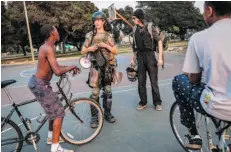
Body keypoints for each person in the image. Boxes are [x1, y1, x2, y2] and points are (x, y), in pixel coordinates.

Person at [172, 1, 231, 150]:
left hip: (217, 105)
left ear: (209, 11)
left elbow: (194, 79)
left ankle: (194, 135)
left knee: (179, 81)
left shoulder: (198, 38)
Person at [28, 24, 79, 152]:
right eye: (56, 30)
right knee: (59, 112)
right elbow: (57, 71)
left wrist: (67, 67)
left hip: (39, 83)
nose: (58, 32)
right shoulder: (48, 48)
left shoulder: (48, 47)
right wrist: (72, 66)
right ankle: (55, 148)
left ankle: (51, 137)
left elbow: (54, 66)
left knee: (54, 109)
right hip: (40, 85)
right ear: (52, 33)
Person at [81, 11, 118, 126]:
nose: (97, 22)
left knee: (108, 90)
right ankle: (94, 117)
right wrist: (89, 49)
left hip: (107, 67)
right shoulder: (90, 35)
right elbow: (82, 50)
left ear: (103, 21)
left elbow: (115, 51)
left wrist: (106, 46)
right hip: (95, 66)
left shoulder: (108, 36)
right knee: (95, 92)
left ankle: (107, 113)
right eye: (95, 21)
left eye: (99, 20)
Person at [130, 9, 164, 111]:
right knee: (141, 82)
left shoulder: (150, 27)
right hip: (140, 57)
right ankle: (143, 102)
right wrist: (132, 59)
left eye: (134, 18)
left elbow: (159, 41)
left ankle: (157, 103)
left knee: (154, 82)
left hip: (150, 56)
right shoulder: (134, 29)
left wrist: (160, 58)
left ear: (139, 18)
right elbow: (134, 46)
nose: (133, 20)